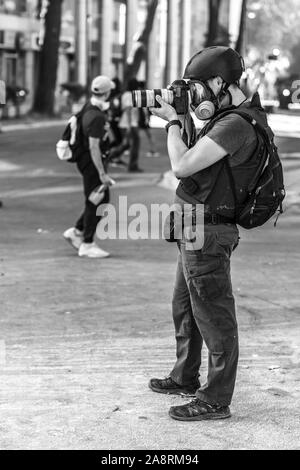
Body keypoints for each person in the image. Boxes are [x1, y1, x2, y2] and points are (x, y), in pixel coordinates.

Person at [149, 46, 263, 421]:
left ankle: (215, 399)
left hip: (208, 230)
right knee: (185, 307)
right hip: (192, 226)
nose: (195, 96)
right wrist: (183, 118)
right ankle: (184, 375)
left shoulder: (235, 124)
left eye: (196, 88)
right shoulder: (225, 117)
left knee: (213, 314)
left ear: (218, 82)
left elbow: (182, 165)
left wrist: (169, 123)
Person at [63, 75, 115, 259]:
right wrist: (102, 173)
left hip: (85, 161)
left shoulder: (88, 107)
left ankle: (77, 231)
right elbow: (94, 146)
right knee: (98, 200)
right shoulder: (97, 116)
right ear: (107, 93)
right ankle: (87, 243)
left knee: (95, 199)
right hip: (92, 163)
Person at [110, 78, 143, 173]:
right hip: (130, 124)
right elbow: (128, 110)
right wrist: (129, 125)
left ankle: (108, 156)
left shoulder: (126, 94)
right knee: (134, 145)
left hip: (128, 123)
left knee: (126, 144)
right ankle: (132, 165)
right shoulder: (129, 95)